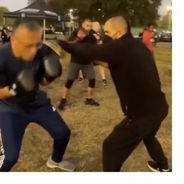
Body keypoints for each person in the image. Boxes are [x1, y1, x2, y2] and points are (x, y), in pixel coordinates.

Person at [59, 16, 170, 172]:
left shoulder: (120, 47)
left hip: (142, 115)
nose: (105, 35)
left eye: (107, 31)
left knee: (110, 147)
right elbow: (115, 63)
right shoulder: (137, 46)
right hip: (160, 107)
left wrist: (61, 44)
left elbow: (89, 50)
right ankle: (163, 166)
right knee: (149, 136)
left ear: (118, 31)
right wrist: (96, 60)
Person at [0, 20, 74, 172]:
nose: (34, 50)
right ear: (13, 39)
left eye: (37, 44)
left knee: (63, 133)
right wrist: (16, 88)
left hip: (38, 104)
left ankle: (55, 160)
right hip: (12, 109)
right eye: (28, 46)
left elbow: (42, 83)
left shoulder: (40, 50)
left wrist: (49, 76)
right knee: (10, 157)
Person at [58, 19, 100, 110]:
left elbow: (93, 48)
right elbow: (68, 46)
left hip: (87, 63)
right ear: (82, 25)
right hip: (75, 62)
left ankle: (89, 99)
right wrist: (78, 38)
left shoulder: (92, 37)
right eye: (87, 25)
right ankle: (63, 100)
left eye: (90, 26)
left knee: (92, 80)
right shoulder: (75, 33)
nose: (88, 28)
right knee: (70, 81)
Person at [92, 21, 107, 85]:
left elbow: (103, 42)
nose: (98, 27)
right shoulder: (90, 34)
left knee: (101, 65)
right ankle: (82, 77)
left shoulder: (102, 34)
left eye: (98, 25)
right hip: (91, 53)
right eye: (96, 26)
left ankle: (104, 79)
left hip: (99, 53)